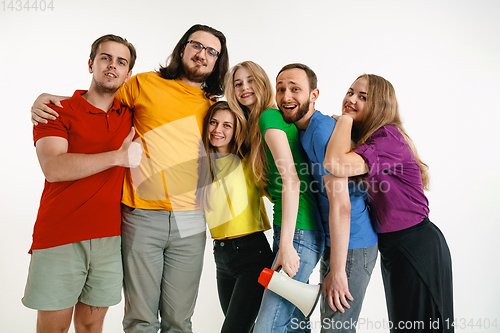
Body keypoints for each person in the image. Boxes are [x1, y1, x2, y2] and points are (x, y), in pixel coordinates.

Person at [30, 24, 229, 333]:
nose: (202, 54)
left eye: (211, 51)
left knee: (180, 320)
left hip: (190, 217)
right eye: (197, 46)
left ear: (217, 61)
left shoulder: (214, 106)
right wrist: (48, 98)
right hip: (140, 214)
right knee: (140, 319)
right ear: (183, 48)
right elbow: (99, 95)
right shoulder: (144, 84)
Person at [22, 34, 142, 333]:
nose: (112, 66)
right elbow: (53, 168)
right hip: (60, 236)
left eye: (121, 62)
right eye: (105, 58)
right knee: (54, 329)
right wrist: (117, 157)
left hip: (109, 239)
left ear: (128, 74)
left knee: (90, 327)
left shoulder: (130, 116)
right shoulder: (56, 110)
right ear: (91, 64)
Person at [323, 74, 454, 332]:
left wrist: (345, 120)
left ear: (380, 105)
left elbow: (334, 163)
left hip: (416, 246)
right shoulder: (371, 139)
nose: (350, 99)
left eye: (362, 97)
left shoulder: (387, 138)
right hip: (396, 248)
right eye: (350, 92)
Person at [273, 64, 378, 332]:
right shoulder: (304, 130)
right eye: (281, 89)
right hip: (337, 242)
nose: (287, 96)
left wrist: (339, 269)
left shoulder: (321, 132)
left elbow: (342, 204)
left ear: (314, 94)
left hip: (352, 245)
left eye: (296, 89)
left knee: (336, 329)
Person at [240, 62, 324, 332]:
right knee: (293, 324)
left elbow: (291, 179)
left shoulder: (269, 117)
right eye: (238, 83)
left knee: (268, 326)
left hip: (297, 232)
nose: (245, 89)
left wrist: (286, 245)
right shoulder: (275, 120)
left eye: (251, 81)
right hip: (298, 229)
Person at [197, 100, 274, 333]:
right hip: (221, 257)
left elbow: (280, 192)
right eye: (213, 122)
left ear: (237, 130)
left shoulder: (250, 162)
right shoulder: (201, 168)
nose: (218, 130)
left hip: (252, 256)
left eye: (227, 125)